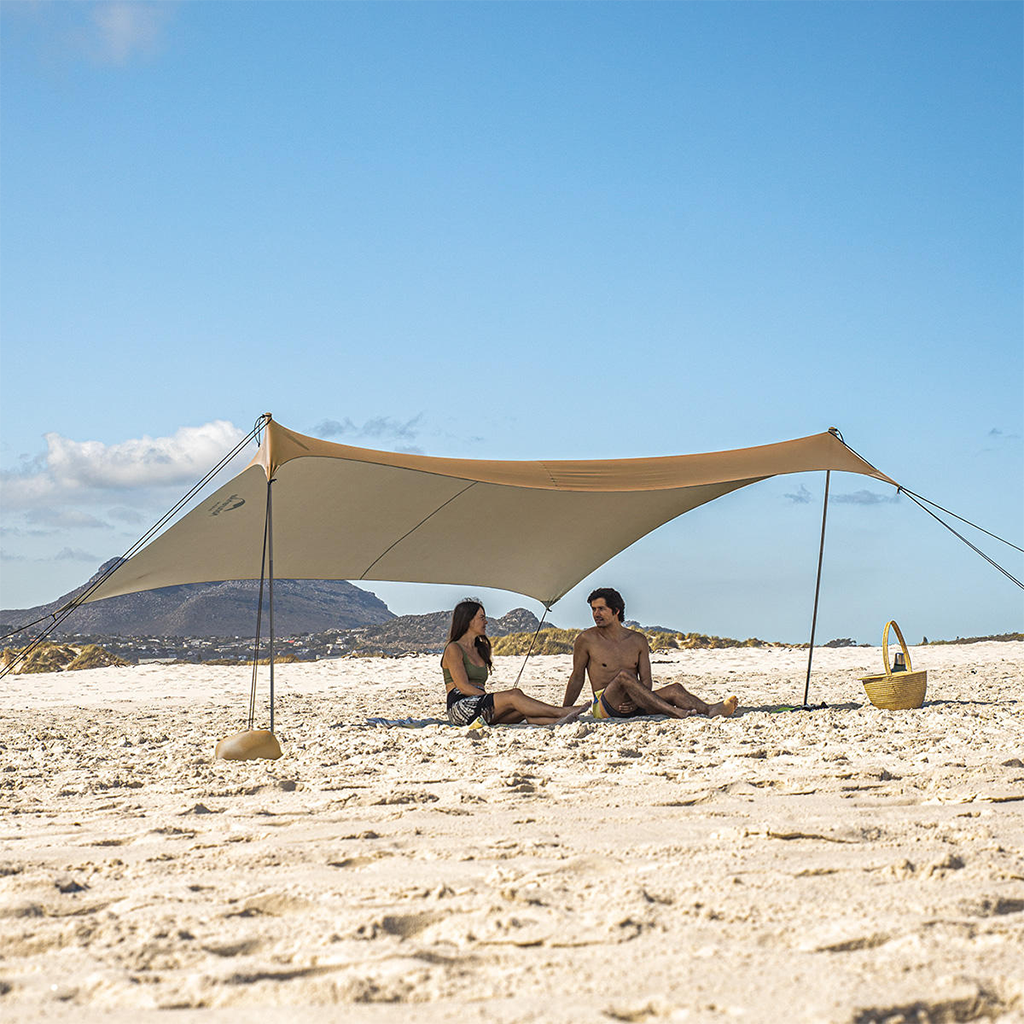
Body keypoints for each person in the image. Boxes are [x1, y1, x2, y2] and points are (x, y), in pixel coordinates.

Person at [562, 587, 738, 720]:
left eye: (601, 609)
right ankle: (674, 712)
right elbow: (577, 677)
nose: (595, 614)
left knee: (675, 689)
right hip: (605, 705)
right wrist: (564, 710)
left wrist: (637, 701)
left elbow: (646, 680)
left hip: (636, 702)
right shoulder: (586, 639)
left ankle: (710, 710)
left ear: (616, 611)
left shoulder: (638, 640)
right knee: (624, 677)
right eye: (593, 609)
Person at [442, 599, 584, 726]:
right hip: (461, 707)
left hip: (480, 705)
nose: (486, 622)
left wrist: (492, 700)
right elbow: (463, 687)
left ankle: (559, 721)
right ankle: (561, 712)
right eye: (482, 618)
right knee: (514, 695)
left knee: (522, 709)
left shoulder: (480, 648)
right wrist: (492, 698)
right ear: (468, 620)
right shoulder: (454, 648)